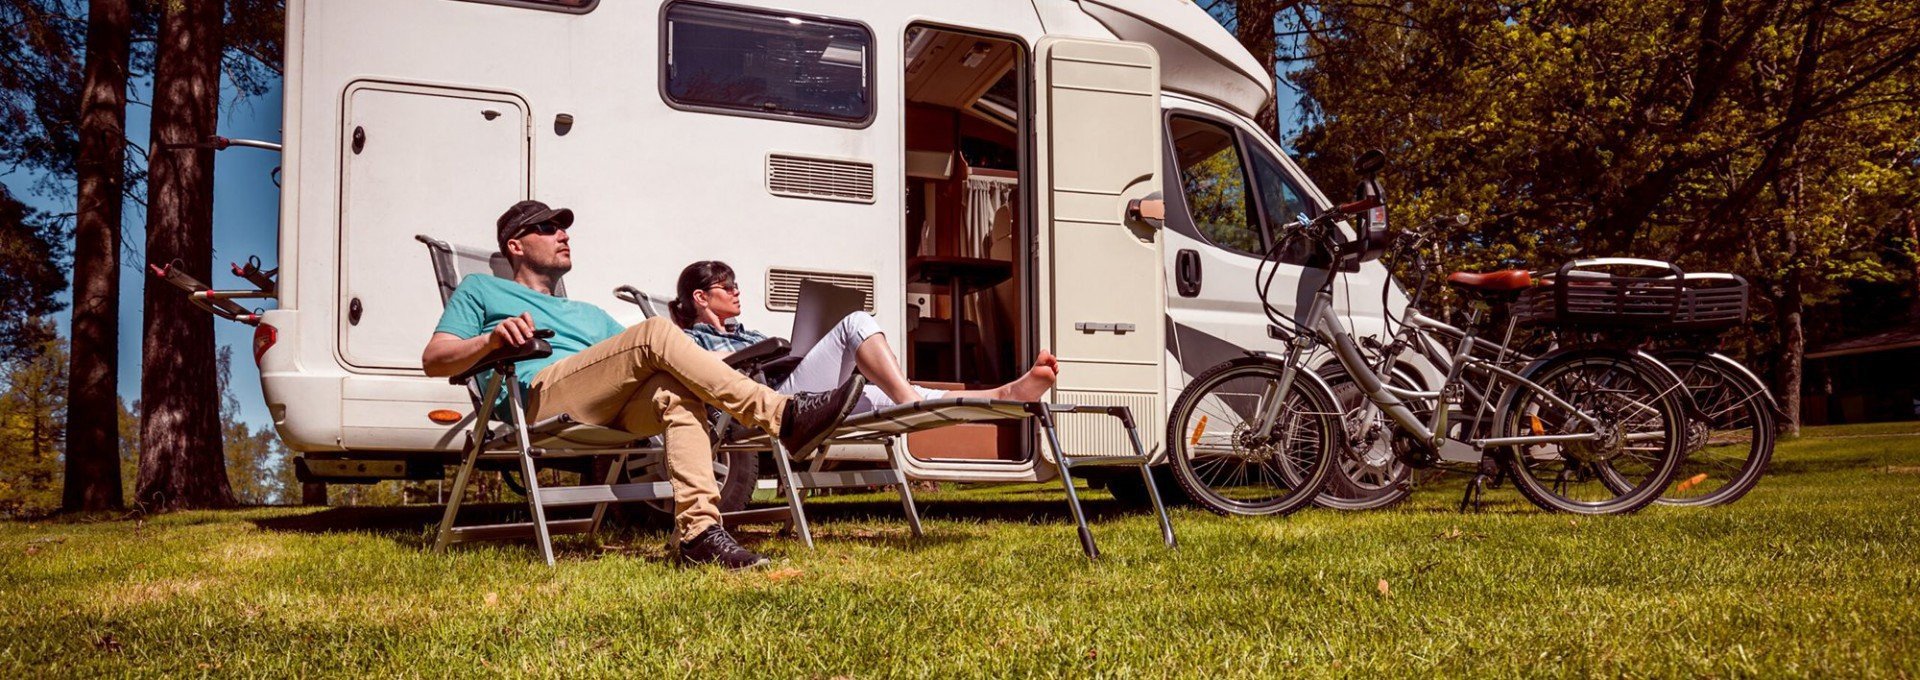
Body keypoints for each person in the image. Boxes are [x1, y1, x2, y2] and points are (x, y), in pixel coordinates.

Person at [422, 200, 866, 570]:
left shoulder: (587, 313)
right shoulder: (482, 289)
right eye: (547, 227)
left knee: (676, 392)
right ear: (515, 246)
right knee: (654, 332)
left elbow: (644, 356)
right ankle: (784, 416)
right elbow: (434, 360)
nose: (563, 234)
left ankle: (699, 536)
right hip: (537, 394)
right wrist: (491, 340)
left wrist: (711, 365)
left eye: (563, 228)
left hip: (603, 403)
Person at [666, 260, 1058, 413]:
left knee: (903, 392)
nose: (737, 291)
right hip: (770, 403)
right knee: (855, 322)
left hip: (791, 387)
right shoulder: (691, 339)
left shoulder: (745, 332)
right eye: (727, 286)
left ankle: (1007, 394)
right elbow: (703, 373)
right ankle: (911, 404)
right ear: (701, 297)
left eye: (736, 284)